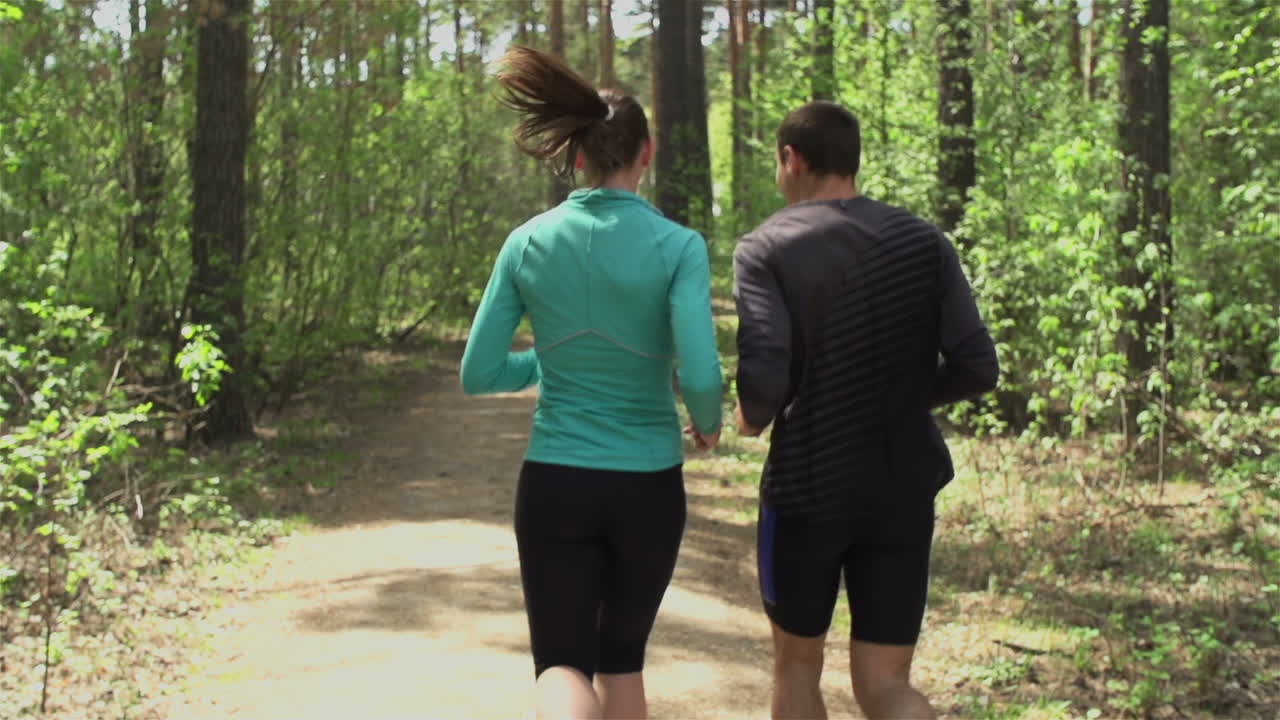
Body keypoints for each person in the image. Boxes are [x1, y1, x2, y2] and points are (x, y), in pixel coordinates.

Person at [459, 46, 723, 720]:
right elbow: (699, 370)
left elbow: (480, 372)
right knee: (623, 662)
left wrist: (549, 361)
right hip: (649, 485)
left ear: (576, 157)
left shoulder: (527, 242)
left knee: (562, 664)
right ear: (647, 153)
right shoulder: (680, 247)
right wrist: (708, 422)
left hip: (556, 481)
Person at [732, 101, 999, 719]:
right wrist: (899, 394)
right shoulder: (924, 241)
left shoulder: (766, 247)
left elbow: (766, 375)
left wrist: (749, 418)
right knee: (886, 684)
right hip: (902, 483)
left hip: (807, 485)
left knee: (797, 667)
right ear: (853, 160)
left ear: (791, 159)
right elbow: (978, 366)